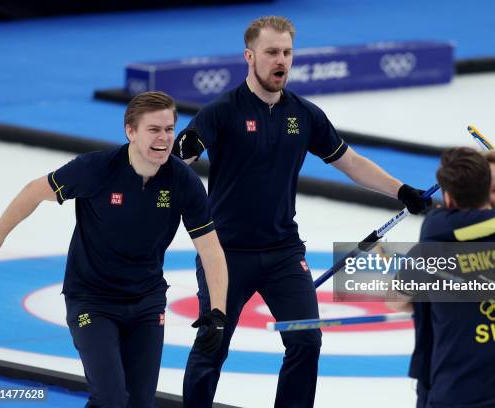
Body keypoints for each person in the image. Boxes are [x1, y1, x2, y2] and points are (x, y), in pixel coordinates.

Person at [174, 15, 431, 408]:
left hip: (283, 253)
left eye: (287, 52)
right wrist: (180, 150)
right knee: (212, 343)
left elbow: (352, 163)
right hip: (225, 256)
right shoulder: (221, 111)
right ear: (249, 56)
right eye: (271, 52)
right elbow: (182, 159)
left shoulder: (305, 114)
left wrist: (401, 190)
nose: (281, 60)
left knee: (306, 339)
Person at [0, 91, 228, 408]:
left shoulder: (183, 181)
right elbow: (34, 191)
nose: (164, 138)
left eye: (169, 129)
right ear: (130, 131)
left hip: (147, 303)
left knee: (140, 403)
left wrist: (217, 312)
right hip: (91, 301)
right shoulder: (97, 168)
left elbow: (211, 251)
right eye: (154, 129)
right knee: (110, 398)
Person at [392, 147, 495, 408]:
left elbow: (396, 302)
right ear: (486, 191)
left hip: (453, 393)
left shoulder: (432, 245)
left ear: (448, 199)